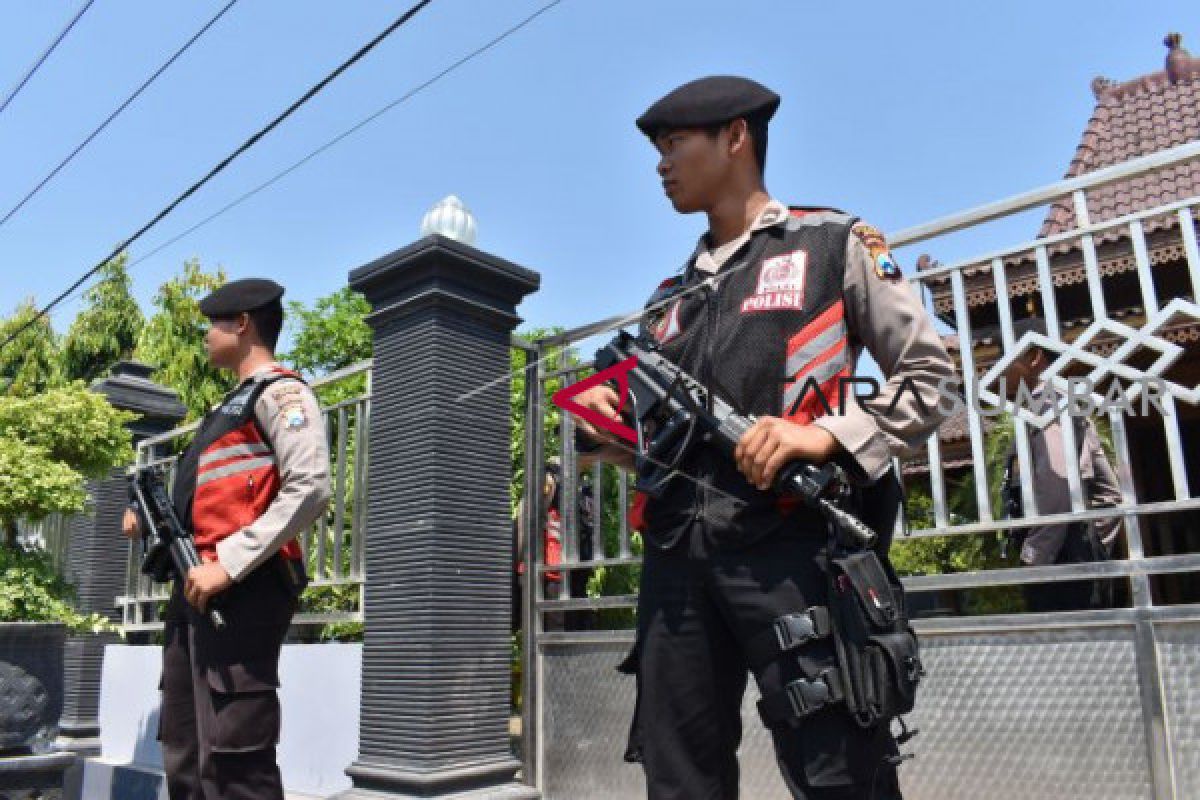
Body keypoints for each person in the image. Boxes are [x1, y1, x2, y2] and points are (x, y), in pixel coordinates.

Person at [569, 75, 956, 800]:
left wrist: (826, 438)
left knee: (841, 772)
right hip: (677, 565)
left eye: (674, 144)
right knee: (678, 777)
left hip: (796, 551)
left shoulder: (832, 242)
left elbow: (931, 379)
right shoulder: (668, 302)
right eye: (658, 149)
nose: (660, 164)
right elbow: (661, 445)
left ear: (736, 137)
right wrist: (611, 431)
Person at [122, 278, 332, 800]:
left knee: (235, 755)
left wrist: (229, 562)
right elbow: (213, 500)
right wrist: (146, 518)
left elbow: (310, 487)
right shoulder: (226, 409)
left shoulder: (282, 394)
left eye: (212, 324)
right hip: (195, 588)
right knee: (186, 748)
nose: (204, 336)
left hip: (242, 590)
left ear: (241, 324)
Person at [998, 316, 1123, 611]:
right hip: (1075, 550)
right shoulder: (1070, 405)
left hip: (1056, 562)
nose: (1002, 367)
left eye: (1009, 355)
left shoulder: (1046, 406)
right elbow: (1112, 496)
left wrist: (1036, 556)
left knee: (1064, 649)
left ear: (1034, 357)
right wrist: (1094, 544)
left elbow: (1058, 485)